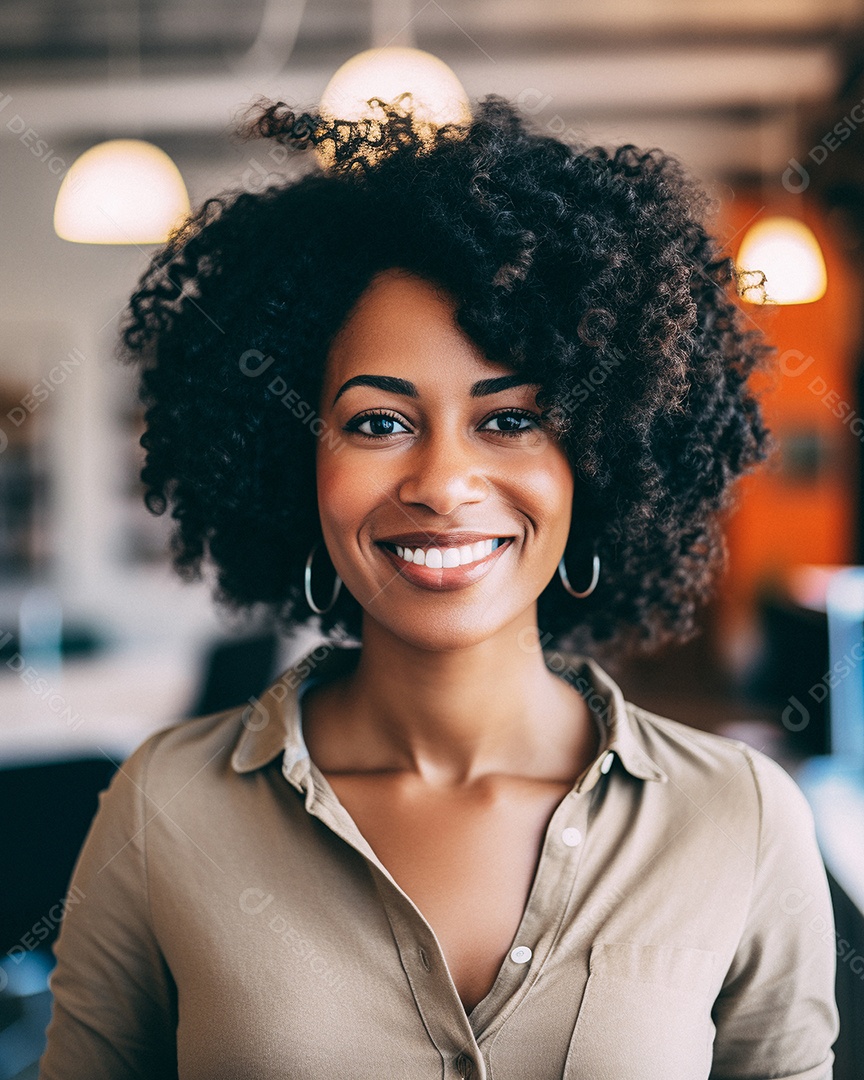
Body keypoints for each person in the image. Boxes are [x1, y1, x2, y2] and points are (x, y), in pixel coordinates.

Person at [39, 94, 839, 1079]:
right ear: (296, 463)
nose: (443, 485)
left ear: (599, 457)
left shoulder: (742, 817)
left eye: (510, 420)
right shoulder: (165, 807)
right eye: (378, 423)